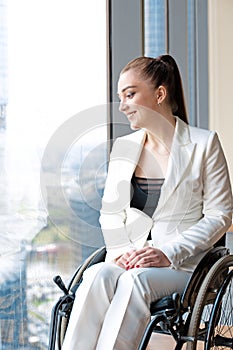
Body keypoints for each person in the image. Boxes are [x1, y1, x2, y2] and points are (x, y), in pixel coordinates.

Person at [61, 55, 232, 350]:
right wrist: (122, 252)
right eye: (120, 97)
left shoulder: (204, 144)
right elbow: (111, 212)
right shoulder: (125, 147)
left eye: (130, 94)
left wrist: (167, 252)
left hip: (184, 266)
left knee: (135, 283)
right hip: (130, 258)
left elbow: (220, 215)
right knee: (96, 275)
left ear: (160, 94)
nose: (123, 106)